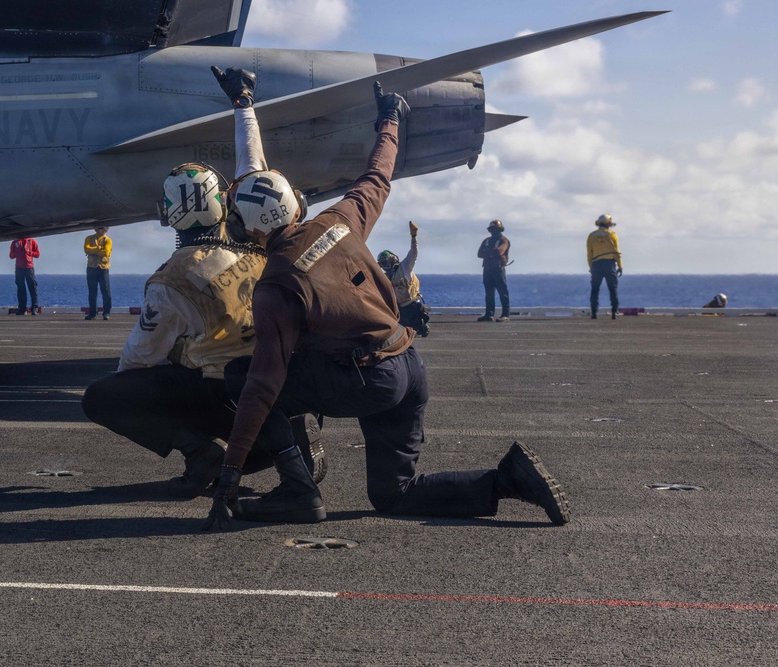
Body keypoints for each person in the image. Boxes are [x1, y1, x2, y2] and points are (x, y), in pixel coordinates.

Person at [203, 81, 571, 530]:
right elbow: (378, 175)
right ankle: (508, 480)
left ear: (246, 227)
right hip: (408, 365)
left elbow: (262, 386)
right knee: (394, 495)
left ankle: (298, 491)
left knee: (244, 377)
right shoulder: (341, 220)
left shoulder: (276, 287)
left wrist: (229, 476)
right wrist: (391, 117)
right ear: (294, 205)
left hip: (369, 380)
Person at [81, 66, 325, 498]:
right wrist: (243, 103)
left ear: (167, 214)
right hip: (284, 385)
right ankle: (284, 435)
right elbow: (254, 163)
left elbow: (136, 362)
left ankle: (200, 452)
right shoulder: (260, 235)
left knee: (103, 396)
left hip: (228, 400)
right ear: (223, 201)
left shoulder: (171, 281)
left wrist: (173, 357)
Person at [377, 221, 430, 337]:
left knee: (416, 330)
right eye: (382, 264)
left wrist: (413, 237)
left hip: (412, 304)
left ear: (392, 260)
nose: (385, 266)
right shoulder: (385, 277)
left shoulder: (405, 267)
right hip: (398, 308)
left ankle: (422, 325)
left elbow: (413, 253)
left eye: (386, 262)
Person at [587, 214, 622, 319]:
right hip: (609, 264)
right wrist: (620, 266)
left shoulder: (591, 236)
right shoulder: (612, 235)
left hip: (596, 264)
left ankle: (594, 312)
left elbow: (589, 253)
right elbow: (616, 252)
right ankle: (614, 312)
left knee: (595, 289)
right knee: (613, 288)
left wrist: (591, 267)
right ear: (608, 224)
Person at [477, 219, 510, 322]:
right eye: (491, 229)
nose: (493, 231)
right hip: (487, 270)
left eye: (495, 229)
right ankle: (489, 314)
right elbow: (479, 254)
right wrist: (492, 253)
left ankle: (505, 315)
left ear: (500, 229)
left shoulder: (504, 240)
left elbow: (499, 251)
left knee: (502, 292)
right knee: (489, 293)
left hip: (498, 269)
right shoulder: (486, 241)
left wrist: (488, 253)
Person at [84, 226, 113, 320]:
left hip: (103, 268)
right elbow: (86, 249)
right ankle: (92, 313)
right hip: (91, 267)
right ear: (96, 229)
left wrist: (94, 250)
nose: (104, 230)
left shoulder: (108, 240)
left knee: (106, 291)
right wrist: (99, 249)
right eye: (102, 228)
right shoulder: (88, 238)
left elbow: (106, 252)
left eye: (105, 228)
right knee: (92, 292)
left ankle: (106, 313)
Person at [9, 237, 41, 315]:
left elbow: (37, 254)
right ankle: (22, 309)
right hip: (19, 268)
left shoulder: (31, 241)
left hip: (29, 267)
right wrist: (18, 252)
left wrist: (29, 253)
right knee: (21, 288)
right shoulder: (15, 242)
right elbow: (11, 256)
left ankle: (34, 308)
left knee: (32, 287)